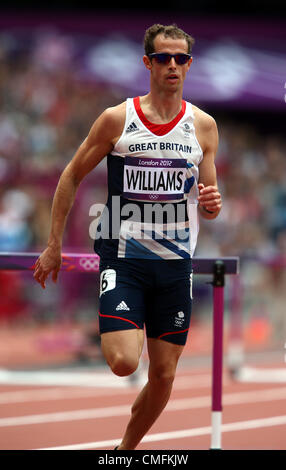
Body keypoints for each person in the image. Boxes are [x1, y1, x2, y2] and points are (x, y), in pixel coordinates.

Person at [33, 23, 222, 450]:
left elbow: (209, 205)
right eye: (163, 58)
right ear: (147, 63)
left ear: (189, 65)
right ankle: (125, 320)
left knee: (164, 376)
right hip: (124, 258)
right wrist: (54, 243)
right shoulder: (119, 118)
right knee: (122, 363)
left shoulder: (204, 127)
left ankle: (125, 451)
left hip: (175, 266)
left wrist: (213, 204)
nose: (172, 65)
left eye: (181, 59)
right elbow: (71, 175)